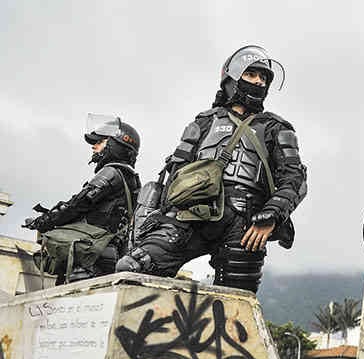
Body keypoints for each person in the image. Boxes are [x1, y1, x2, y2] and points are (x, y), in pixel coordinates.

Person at [117, 45, 307, 293]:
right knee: (132, 267)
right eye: (251, 74)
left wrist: (273, 214)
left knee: (236, 301)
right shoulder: (204, 122)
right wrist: (161, 216)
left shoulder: (276, 127)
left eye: (263, 77)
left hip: (245, 225)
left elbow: (295, 179)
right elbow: (175, 174)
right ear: (231, 78)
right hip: (190, 215)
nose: (259, 82)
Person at [24, 115, 141, 284]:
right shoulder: (131, 179)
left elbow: (78, 205)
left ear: (116, 145)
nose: (94, 146)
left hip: (90, 257)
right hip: (105, 252)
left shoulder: (112, 172)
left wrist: (44, 221)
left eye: (101, 141)